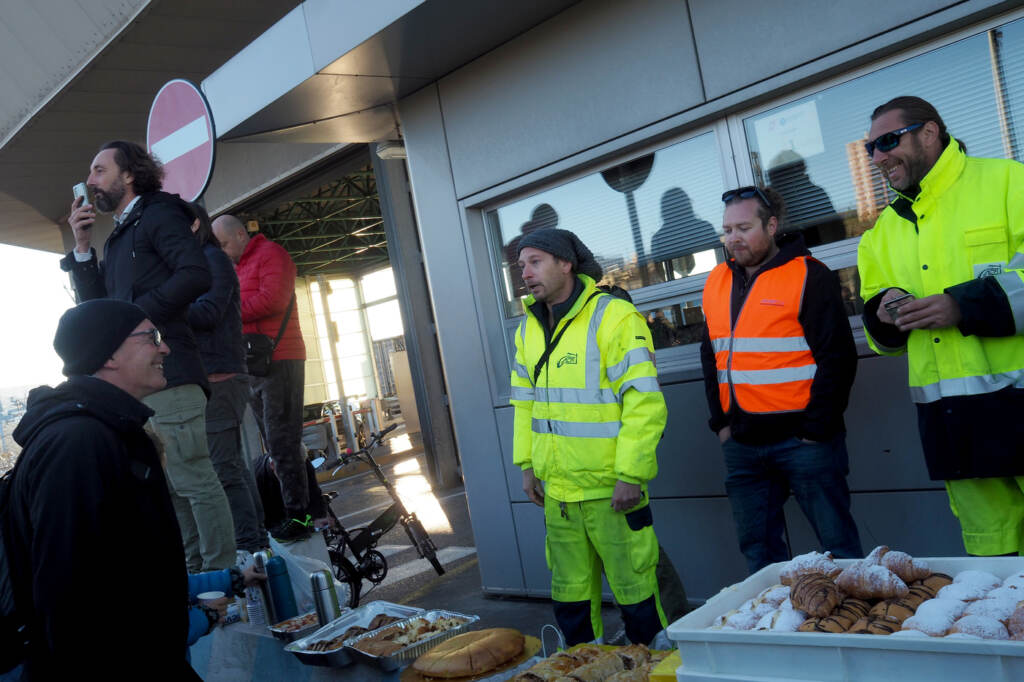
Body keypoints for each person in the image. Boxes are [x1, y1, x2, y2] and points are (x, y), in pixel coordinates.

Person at [2, 300, 262, 679]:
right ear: (108, 354)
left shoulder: (106, 432)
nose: (165, 348)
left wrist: (229, 579)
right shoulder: (78, 443)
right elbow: (68, 600)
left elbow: (135, 573)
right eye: (151, 337)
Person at [857, 95, 1024, 556]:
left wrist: (962, 306)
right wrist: (886, 312)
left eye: (888, 141)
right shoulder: (879, 235)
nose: (877, 157)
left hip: (1018, 405)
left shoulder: (1009, 182)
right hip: (954, 425)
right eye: (870, 148)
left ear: (929, 132)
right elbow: (881, 336)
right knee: (996, 575)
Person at [60, 140, 236, 572]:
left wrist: (139, 318)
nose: (90, 180)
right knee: (172, 488)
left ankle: (224, 579)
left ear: (129, 175)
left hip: (171, 372)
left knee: (193, 479)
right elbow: (98, 310)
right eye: (90, 172)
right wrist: (82, 246)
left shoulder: (158, 213)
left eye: (100, 170)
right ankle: (199, 581)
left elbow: (194, 274)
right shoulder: (119, 235)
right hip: (141, 385)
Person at [510, 228, 667, 646]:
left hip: (611, 491)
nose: (524, 272)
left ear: (566, 264)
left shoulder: (613, 316)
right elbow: (524, 405)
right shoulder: (527, 330)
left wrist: (631, 474)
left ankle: (655, 672)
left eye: (535, 261)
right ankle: (584, 670)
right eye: (520, 265)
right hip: (559, 497)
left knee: (637, 598)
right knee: (571, 602)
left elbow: (644, 403)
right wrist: (527, 466)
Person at [700, 186, 862, 575]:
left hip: (804, 442)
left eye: (743, 227)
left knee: (838, 550)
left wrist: (815, 429)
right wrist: (721, 424)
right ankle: (775, 633)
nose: (732, 238)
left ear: (771, 225)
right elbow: (712, 358)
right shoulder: (716, 280)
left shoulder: (809, 275)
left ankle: (854, 630)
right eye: (727, 230)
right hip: (742, 444)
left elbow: (837, 357)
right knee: (759, 554)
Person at [212, 214, 310, 542]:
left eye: (224, 244)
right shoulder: (235, 267)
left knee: (282, 441)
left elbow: (274, 299)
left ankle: (301, 515)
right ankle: (303, 509)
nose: (222, 252)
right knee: (275, 442)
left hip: (281, 359)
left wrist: (227, 312)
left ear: (241, 235)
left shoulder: (272, 254)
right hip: (256, 363)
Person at [186, 202, 269, 553]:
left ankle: (251, 545)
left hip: (222, 377)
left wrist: (165, 305)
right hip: (219, 376)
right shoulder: (204, 261)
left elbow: (208, 312)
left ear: (192, 226)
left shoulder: (210, 259)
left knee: (225, 467)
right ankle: (256, 543)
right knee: (231, 464)